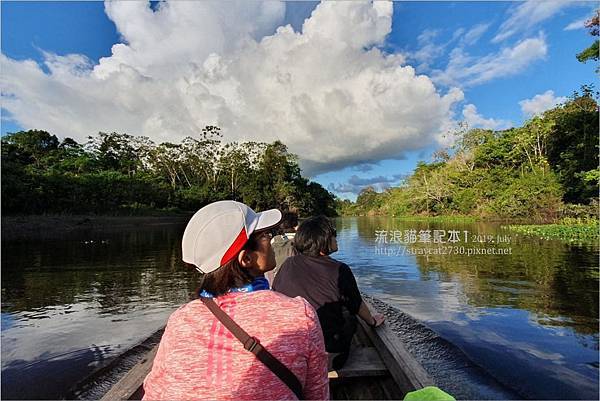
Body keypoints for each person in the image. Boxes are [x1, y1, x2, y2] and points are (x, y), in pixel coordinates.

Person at [143, 201, 329, 400]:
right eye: (264, 235)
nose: (270, 238)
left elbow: (154, 391)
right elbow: (317, 395)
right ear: (246, 259)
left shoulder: (181, 319)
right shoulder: (299, 314)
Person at [272, 216, 384, 370]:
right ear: (323, 241)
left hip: (292, 350)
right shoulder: (339, 270)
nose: (336, 239)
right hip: (327, 357)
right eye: (333, 235)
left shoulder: (287, 264)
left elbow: (276, 292)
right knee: (351, 319)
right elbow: (356, 304)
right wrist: (372, 321)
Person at [265, 211, 299, 285]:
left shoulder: (275, 240)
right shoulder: (300, 239)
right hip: (297, 279)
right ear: (296, 225)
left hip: (278, 280)